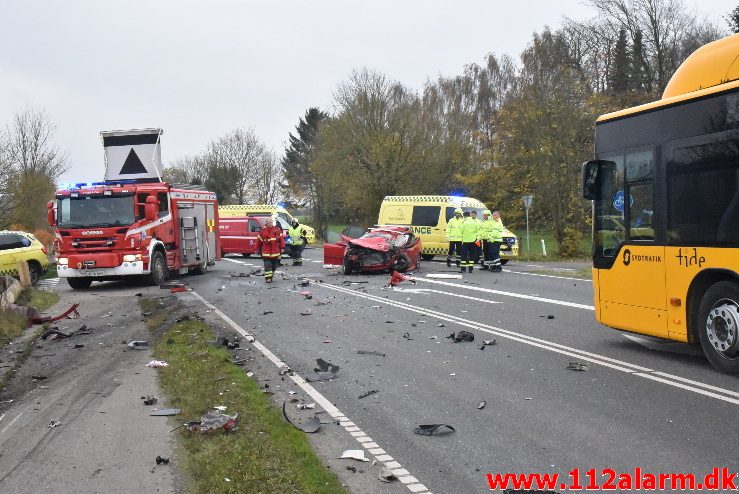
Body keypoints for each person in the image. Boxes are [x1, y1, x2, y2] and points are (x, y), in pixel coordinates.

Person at [255, 217, 285, 283]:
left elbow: (281, 239)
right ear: (266, 223)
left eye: (270, 222)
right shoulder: (263, 231)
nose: (269, 224)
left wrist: (282, 247)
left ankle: (271, 275)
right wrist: (256, 248)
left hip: (275, 252)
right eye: (268, 222)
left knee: (274, 266)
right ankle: (268, 278)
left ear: (272, 223)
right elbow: (258, 240)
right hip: (266, 253)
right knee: (267, 265)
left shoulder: (277, 230)